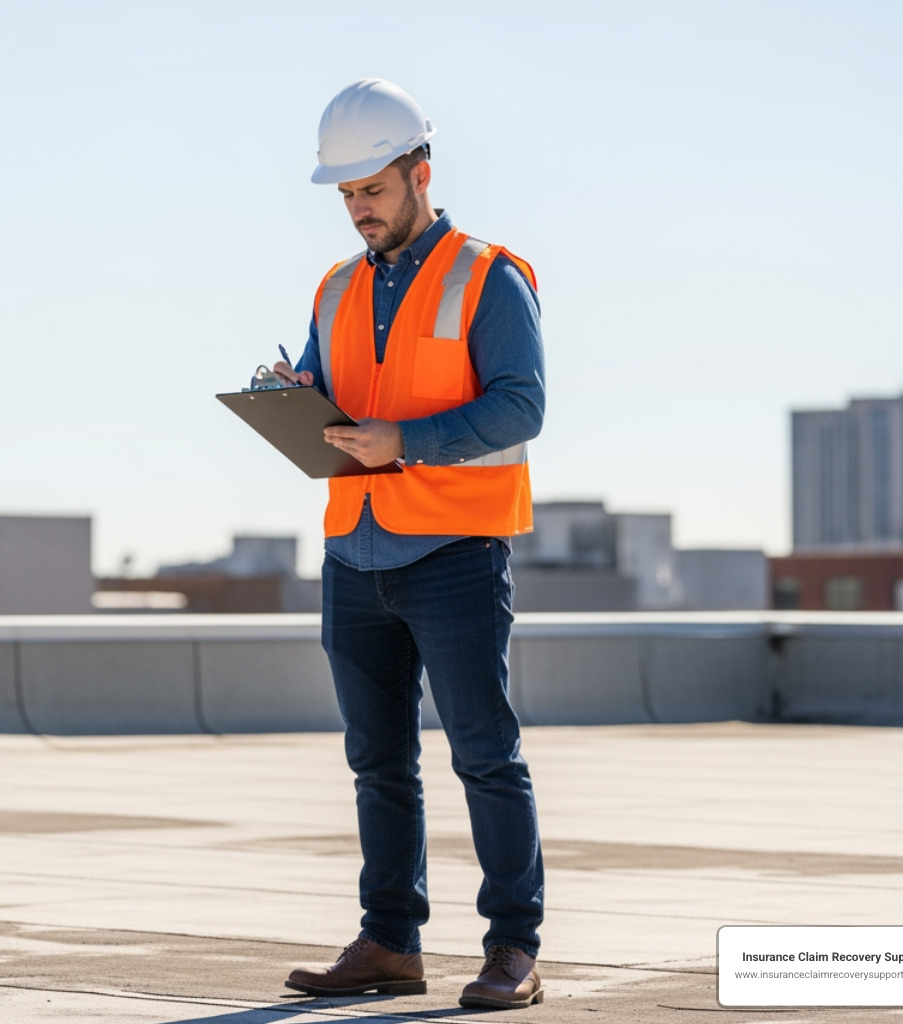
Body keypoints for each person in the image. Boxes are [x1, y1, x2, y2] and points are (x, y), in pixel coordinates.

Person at [276, 79, 546, 1011]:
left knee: (485, 753)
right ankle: (390, 940)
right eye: (345, 195)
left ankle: (514, 947)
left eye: (372, 191)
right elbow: (330, 390)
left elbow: (523, 406)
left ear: (419, 174)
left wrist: (410, 441)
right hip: (356, 551)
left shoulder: (490, 275)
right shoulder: (334, 286)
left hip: (457, 554)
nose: (357, 210)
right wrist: (290, 393)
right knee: (376, 760)